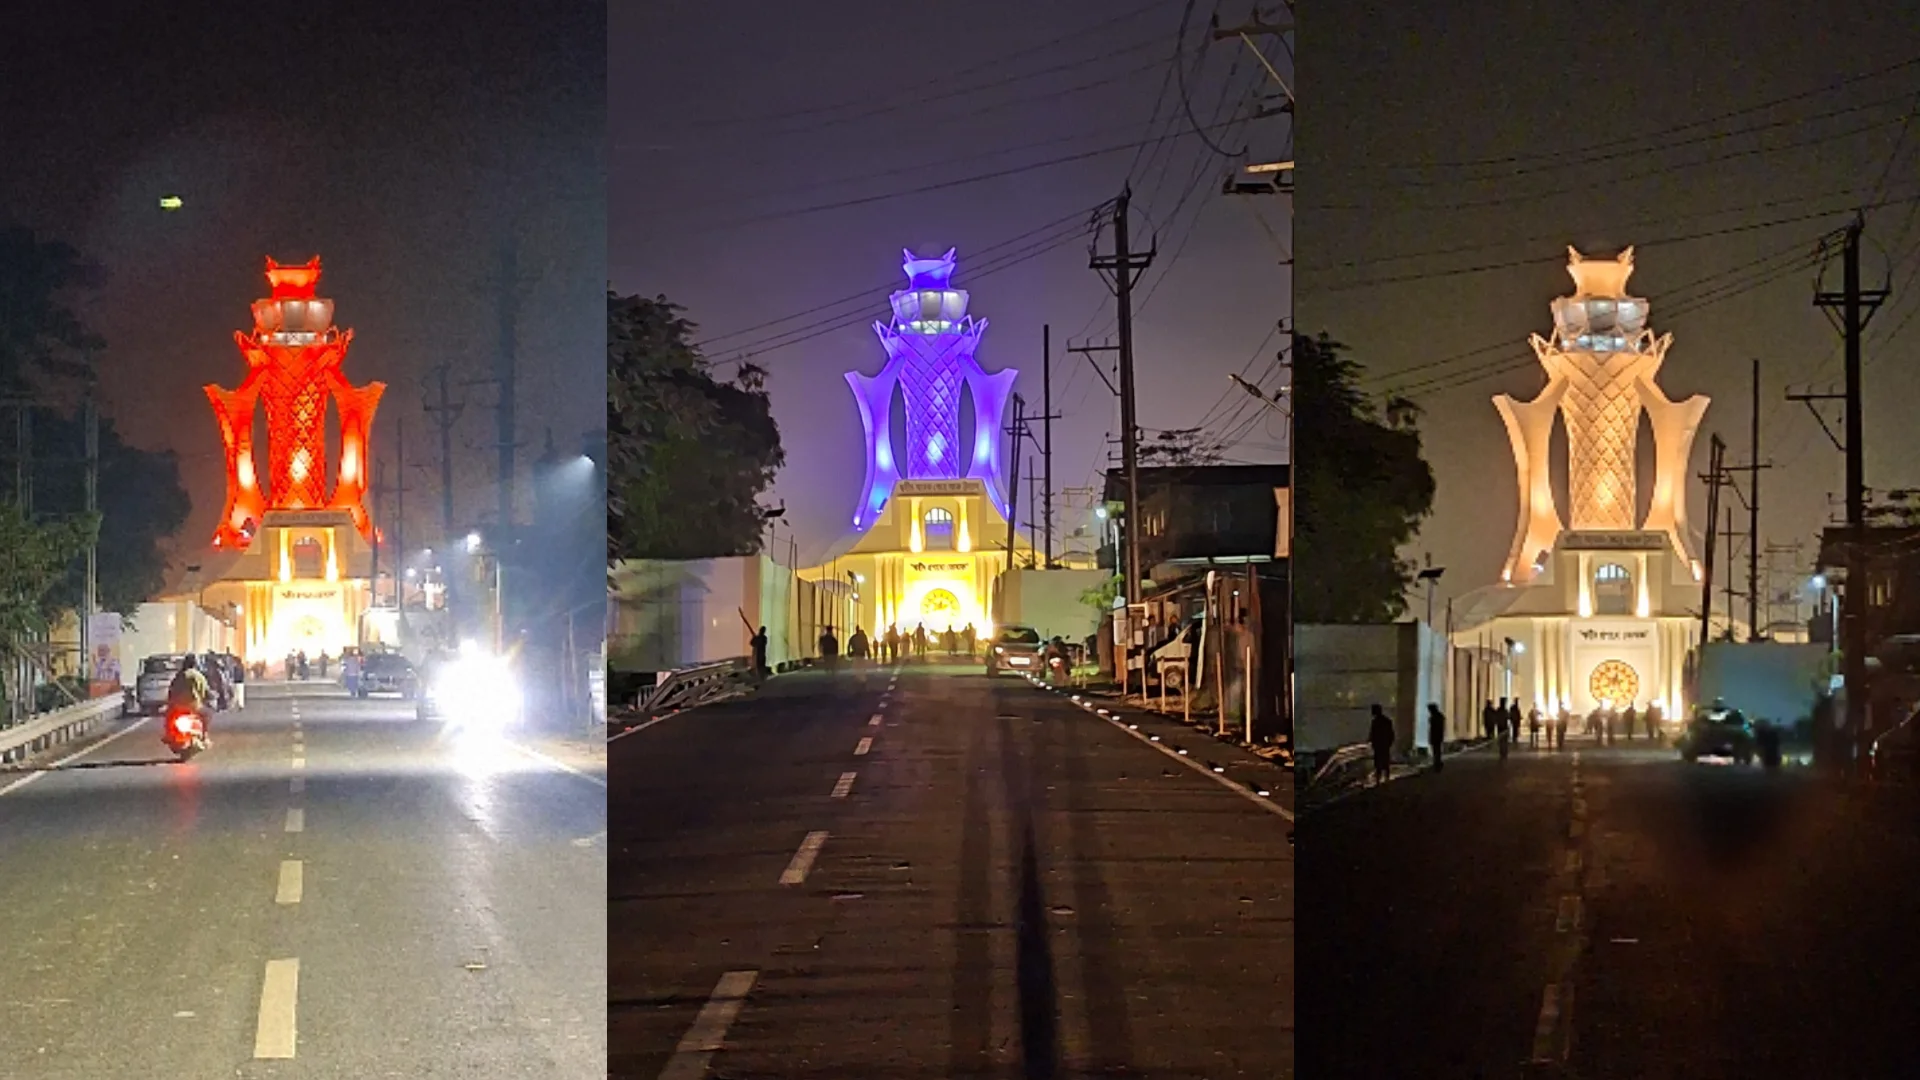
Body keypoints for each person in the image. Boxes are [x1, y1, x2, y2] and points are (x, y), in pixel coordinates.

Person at [167, 654, 214, 743]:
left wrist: (171, 702)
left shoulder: (179, 676)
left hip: (178, 706)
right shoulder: (199, 676)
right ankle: (204, 735)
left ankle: (169, 735)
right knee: (207, 714)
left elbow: (172, 690)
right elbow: (206, 691)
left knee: (169, 717)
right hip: (194, 706)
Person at [1368, 703, 1395, 785]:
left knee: (1378, 764)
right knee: (1385, 763)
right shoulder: (1387, 721)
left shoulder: (1375, 722)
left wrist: (1372, 743)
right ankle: (1387, 779)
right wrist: (1389, 743)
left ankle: (1378, 781)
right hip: (1385, 745)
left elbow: (1373, 734)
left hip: (1378, 746)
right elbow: (1391, 734)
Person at [1427, 703, 1447, 772]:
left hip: (1435, 736)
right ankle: (1437, 762)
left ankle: (1437, 763)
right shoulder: (1440, 716)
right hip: (1438, 736)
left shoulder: (1434, 717)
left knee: (1436, 750)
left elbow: (1432, 727)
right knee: (1437, 750)